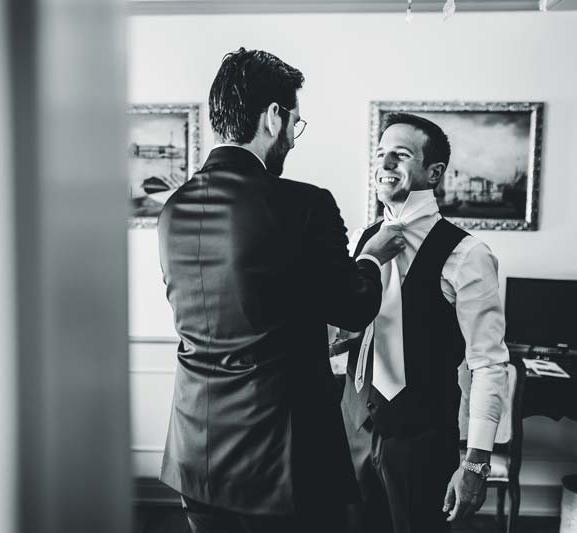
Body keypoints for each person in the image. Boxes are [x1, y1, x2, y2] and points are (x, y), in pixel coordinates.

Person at [157, 48, 404, 533]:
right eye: (296, 122)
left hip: (195, 449)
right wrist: (373, 256)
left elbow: (241, 302)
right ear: (273, 117)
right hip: (281, 459)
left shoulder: (174, 209)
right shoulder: (304, 205)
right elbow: (353, 307)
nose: (293, 137)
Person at [341, 113, 510, 533]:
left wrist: (476, 462)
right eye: (380, 154)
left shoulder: (468, 254)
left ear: (433, 172)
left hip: (421, 441)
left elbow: (488, 364)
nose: (385, 164)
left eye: (400, 155)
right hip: (352, 431)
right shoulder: (363, 240)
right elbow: (344, 328)